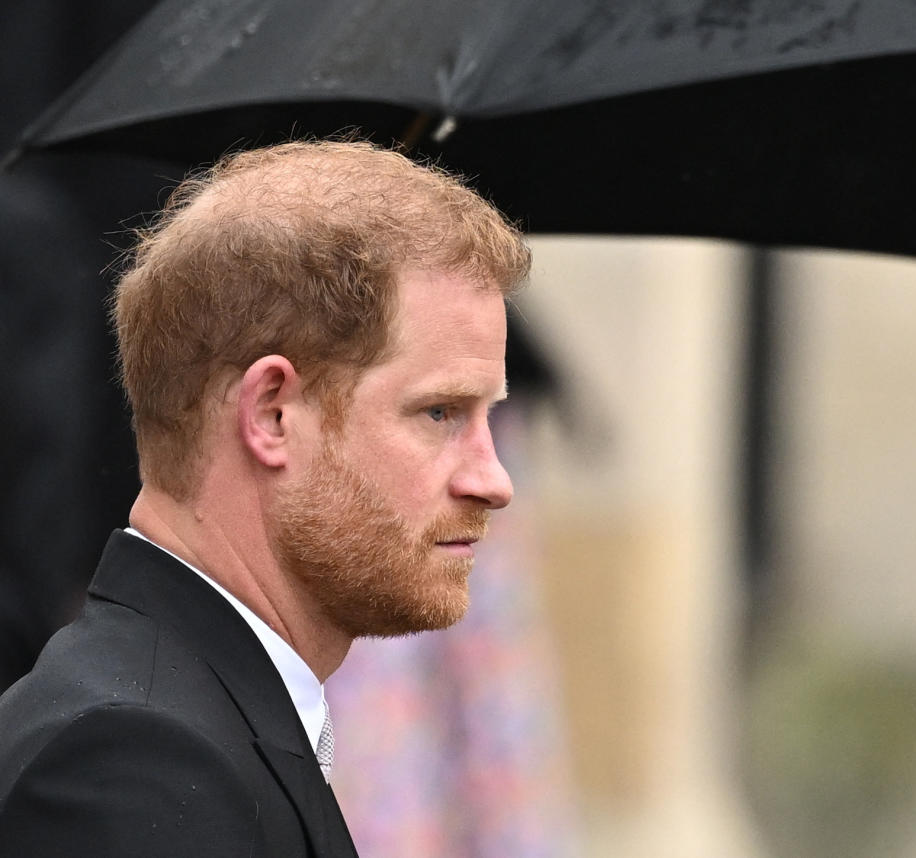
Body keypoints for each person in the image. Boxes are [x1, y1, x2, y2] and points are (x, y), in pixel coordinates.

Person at [0, 139, 530, 857]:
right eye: (439, 413)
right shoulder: (136, 760)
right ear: (273, 414)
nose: (492, 480)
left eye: (487, 416)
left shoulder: (200, 719)